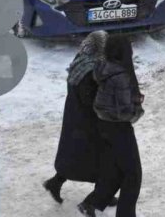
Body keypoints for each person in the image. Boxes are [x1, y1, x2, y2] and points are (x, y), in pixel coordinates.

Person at [42, 32, 118, 210]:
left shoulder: (81, 60)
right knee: (106, 159)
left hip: (76, 118)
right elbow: (92, 99)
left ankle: (55, 183)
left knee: (74, 155)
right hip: (89, 122)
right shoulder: (90, 70)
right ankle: (99, 197)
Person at [81, 35, 145, 217]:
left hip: (103, 125)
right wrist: (138, 110)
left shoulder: (103, 68)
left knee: (115, 171)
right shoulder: (121, 76)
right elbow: (124, 112)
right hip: (119, 129)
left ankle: (91, 204)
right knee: (133, 175)